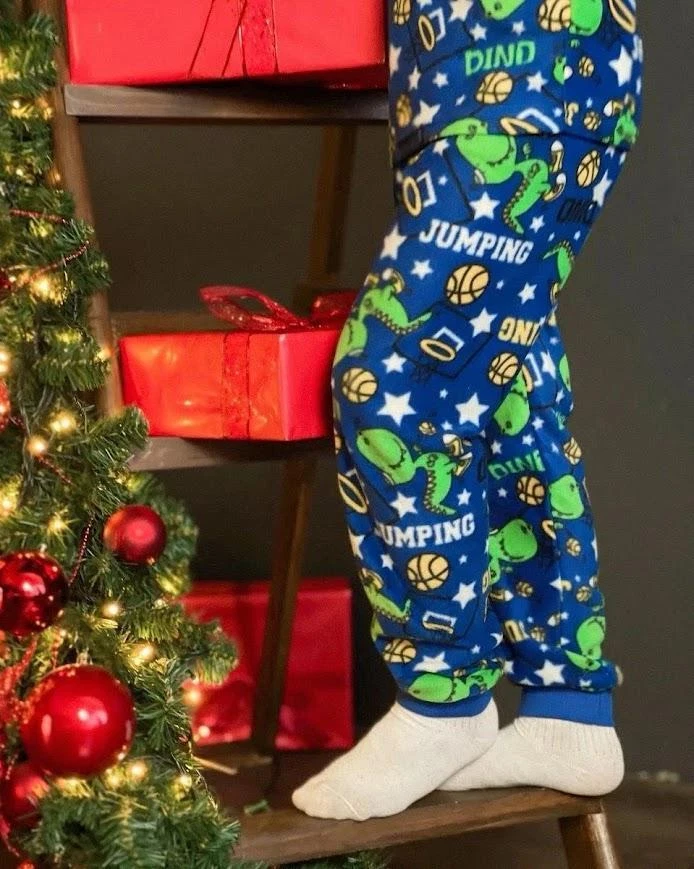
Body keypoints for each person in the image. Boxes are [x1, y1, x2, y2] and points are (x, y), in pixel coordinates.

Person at [293, 0, 643, 821]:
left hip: (525, 80)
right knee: (511, 398)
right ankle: (568, 706)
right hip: (479, 89)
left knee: (393, 381)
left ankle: (443, 697)